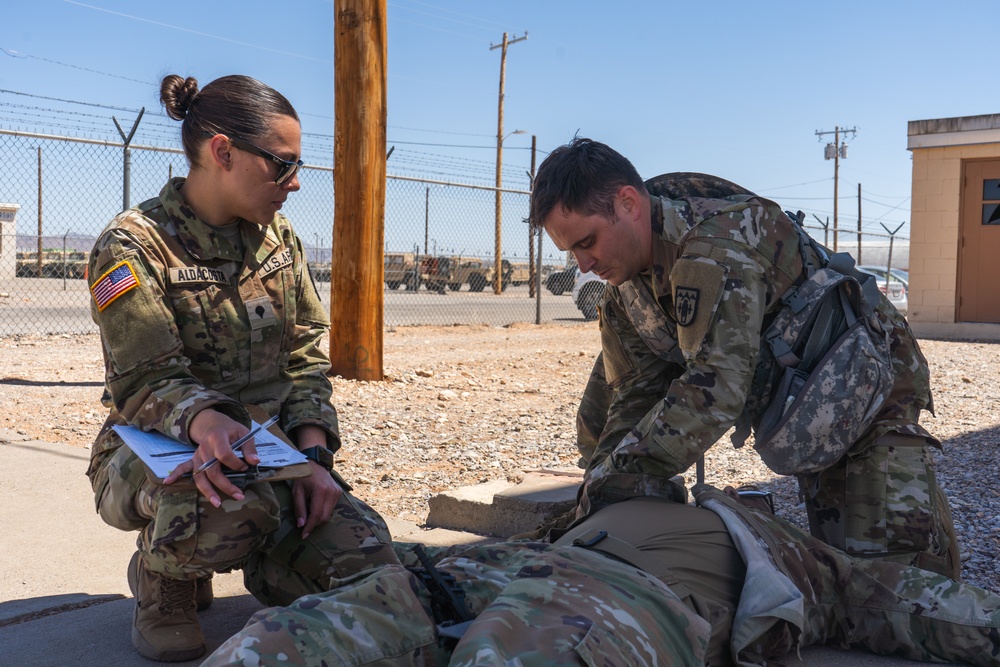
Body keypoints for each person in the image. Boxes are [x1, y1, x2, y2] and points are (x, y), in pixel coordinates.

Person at [527, 138, 959, 579]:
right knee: (839, 556)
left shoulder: (716, 247)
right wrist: (600, 488)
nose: (581, 265)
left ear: (628, 203)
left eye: (587, 242)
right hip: (802, 397)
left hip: (867, 385)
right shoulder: (627, 285)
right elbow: (635, 394)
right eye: (571, 252)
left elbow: (713, 394)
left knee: (891, 585)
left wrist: (615, 479)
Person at [86, 74, 399, 662]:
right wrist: (208, 424)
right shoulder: (133, 246)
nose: (295, 182)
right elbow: (144, 379)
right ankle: (166, 582)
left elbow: (306, 355)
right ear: (223, 152)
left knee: (372, 566)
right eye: (282, 164)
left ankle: (260, 549)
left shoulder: (279, 240)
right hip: (159, 449)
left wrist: (310, 458)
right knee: (221, 501)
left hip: (272, 453)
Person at [200, 482, 1000, 666]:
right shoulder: (646, 491)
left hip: (626, 601)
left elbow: (935, 606)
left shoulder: (824, 568)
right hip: (506, 563)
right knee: (288, 635)